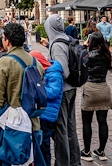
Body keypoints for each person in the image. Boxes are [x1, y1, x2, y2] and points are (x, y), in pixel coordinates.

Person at [0, 22, 45, 166]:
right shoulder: (35, 61)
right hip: (34, 123)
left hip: (13, 127)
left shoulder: (4, 62)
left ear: (7, 41)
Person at [45, 13, 81, 166]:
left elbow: (63, 71)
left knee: (61, 130)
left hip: (63, 91)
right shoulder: (65, 38)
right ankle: (75, 161)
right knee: (71, 127)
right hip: (71, 89)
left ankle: (62, 162)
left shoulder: (57, 44)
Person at [79, 31, 112, 161]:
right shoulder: (106, 54)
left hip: (90, 89)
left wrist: (83, 47)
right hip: (104, 89)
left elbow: (79, 59)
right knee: (102, 122)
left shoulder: (87, 54)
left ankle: (87, 151)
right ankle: (101, 151)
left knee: (87, 122)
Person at [29, 49, 63, 166]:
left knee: (44, 145)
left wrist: (38, 88)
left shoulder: (54, 73)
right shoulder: (48, 72)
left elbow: (54, 92)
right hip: (43, 113)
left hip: (47, 115)